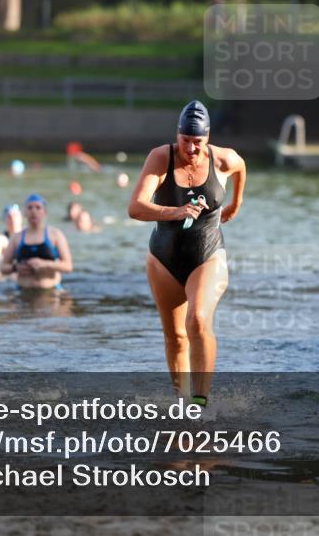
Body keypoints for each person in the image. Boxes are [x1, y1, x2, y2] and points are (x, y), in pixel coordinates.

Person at [128, 100, 246, 407]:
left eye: (198, 143)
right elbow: (135, 208)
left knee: (196, 320)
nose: (191, 149)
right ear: (176, 135)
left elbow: (241, 167)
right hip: (163, 258)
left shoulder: (222, 159)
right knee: (176, 337)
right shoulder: (160, 157)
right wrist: (177, 211)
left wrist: (235, 204)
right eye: (185, 141)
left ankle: (201, 402)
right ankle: (180, 403)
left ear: (207, 139)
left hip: (207, 254)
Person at [0, 194, 73, 289]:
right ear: (24, 213)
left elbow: (68, 266)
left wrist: (46, 264)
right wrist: (16, 267)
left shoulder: (55, 235)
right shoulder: (16, 238)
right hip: (22, 291)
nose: (33, 211)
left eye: (38, 207)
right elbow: (3, 268)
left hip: (51, 291)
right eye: (30, 208)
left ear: (45, 212)